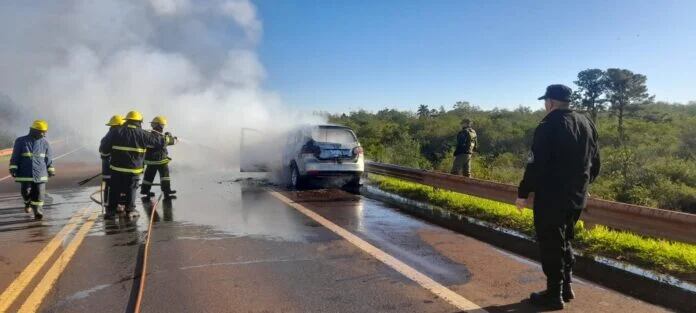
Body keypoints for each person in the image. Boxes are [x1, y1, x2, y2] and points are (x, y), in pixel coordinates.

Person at [516, 84, 601, 309]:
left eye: (545, 102)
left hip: (552, 197)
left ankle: (554, 295)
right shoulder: (586, 122)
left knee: (551, 243)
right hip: (577, 197)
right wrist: (584, 186)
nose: (545, 105)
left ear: (551, 102)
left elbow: (535, 163)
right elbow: (594, 162)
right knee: (564, 239)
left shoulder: (548, 124)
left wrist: (523, 194)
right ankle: (566, 287)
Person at [99, 111, 166, 220]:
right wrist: (167, 138)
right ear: (139, 122)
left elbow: (103, 148)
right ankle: (130, 210)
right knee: (131, 188)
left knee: (115, 188)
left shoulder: (116, 131)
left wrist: (106, 156)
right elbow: (158, 142)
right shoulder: (143, 134)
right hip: (133, 169)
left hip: (116, 168)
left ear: (127, 120)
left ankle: (111, 211)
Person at [8, 120, 55, 220]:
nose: (44, 133)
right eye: (41, 131)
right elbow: (15, 156)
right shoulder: (20, 141)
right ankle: (27, 202)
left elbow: (48, 158)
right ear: (33, 130)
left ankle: (38, 211)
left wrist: (50, 169)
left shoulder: (46, 143)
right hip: (25, 171)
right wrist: (13, 167)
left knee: (39, 193)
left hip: (40, 172)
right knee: (26, 191)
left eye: (44, 131)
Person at [140, 116, 178, 199]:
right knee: (165, 176)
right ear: (159, 126)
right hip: (161, 160)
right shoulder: (160, 137)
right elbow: (167, 141)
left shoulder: (148, 135)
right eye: (162, 125)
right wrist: (174, 139)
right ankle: (166, 191)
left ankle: (145, 190)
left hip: (150, 161)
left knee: (148, 176)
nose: (163, 127)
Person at [100, 115, 125, 207]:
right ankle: (116, 204)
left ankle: (110, 204)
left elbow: (103, 152)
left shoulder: (108, 135)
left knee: (110, 186)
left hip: (109, 168)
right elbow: (104, 152)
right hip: (113, 168)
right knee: (115, 186)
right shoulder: (115, 136)